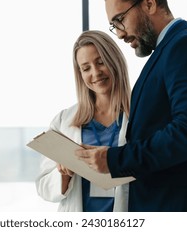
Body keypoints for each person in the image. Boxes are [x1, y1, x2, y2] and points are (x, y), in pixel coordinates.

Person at [75, 0, 187, 212]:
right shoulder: (166, 53)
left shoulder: (186, 47)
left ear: (149, 3)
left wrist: (114, 159)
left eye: (120, 20)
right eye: (113, 25)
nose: (119, 34)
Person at [36, 30, 131, 212]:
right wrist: (63, 175)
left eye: (101, 62)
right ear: (80, 74)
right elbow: (43, 186)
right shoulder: (64, 120)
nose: (95, 73)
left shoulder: (141, 114)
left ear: (115, 61)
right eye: (86, 68)